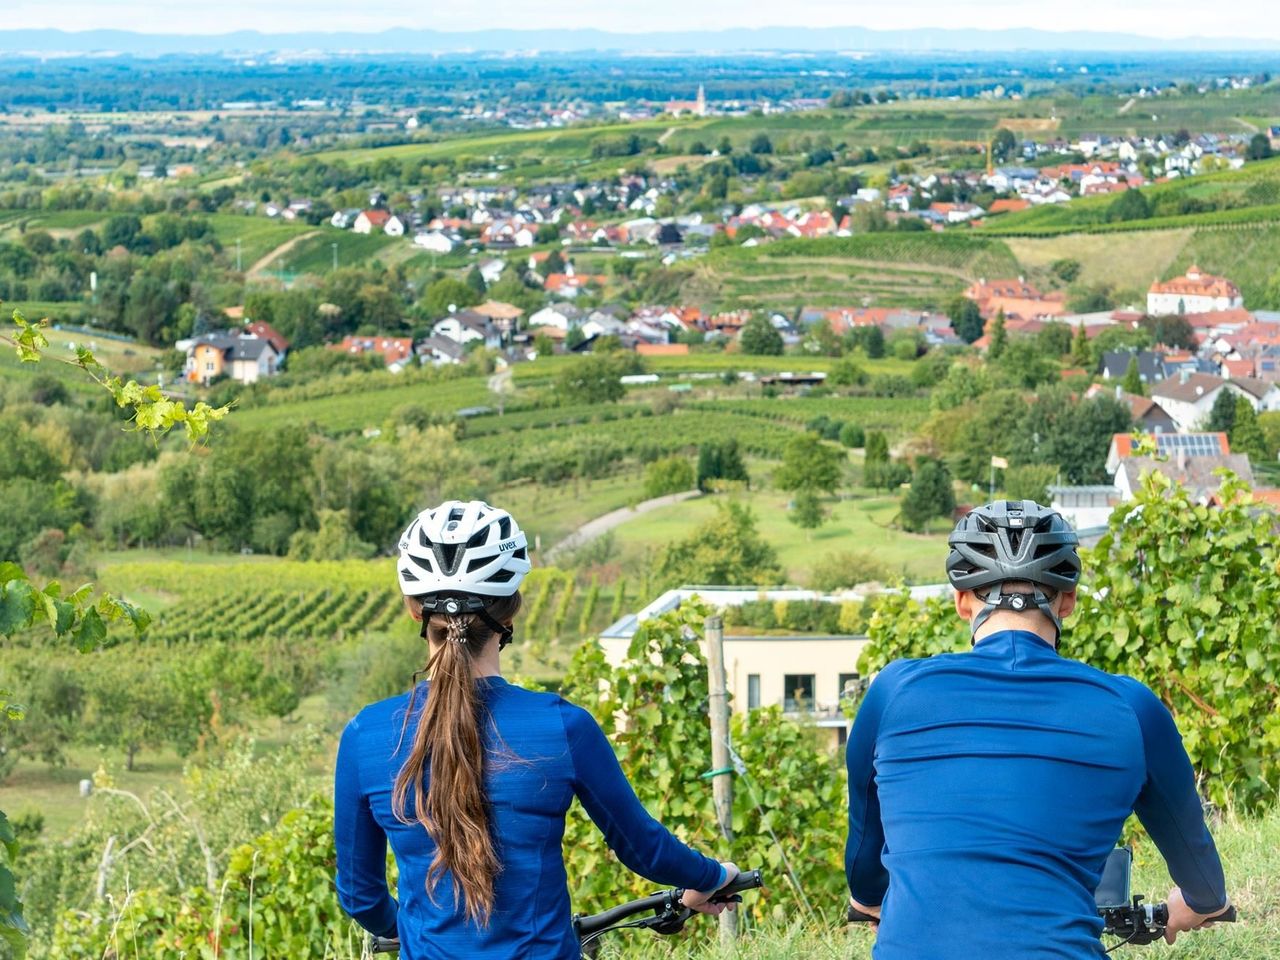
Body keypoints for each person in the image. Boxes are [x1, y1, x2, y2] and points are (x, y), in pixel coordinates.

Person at [334, 500, 736, 958]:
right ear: (511, 613)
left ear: (413, 609)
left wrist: (409, 929)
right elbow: (644, 849)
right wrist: (712, 876)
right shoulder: (563, 726)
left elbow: (360, 895)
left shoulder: (365, 735)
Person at [845, 499, 1232, 958]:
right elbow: (1203, 879)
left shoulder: (891, 692)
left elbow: (865, 863)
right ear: (1067, 600)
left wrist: (870, 901)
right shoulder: (1132, 707)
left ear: (962, 601)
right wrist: (1195, 905)